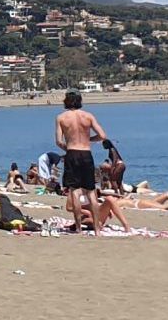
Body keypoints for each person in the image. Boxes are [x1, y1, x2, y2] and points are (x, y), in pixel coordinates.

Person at [55, 90, 108, 231]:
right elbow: (102, 135)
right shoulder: (88, 116)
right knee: (91, 192)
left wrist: (68, 149)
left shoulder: (61, 118)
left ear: (66, 101)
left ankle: (78, 227)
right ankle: (97, 228)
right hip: (86, 153)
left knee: (75, 191)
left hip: (72, 152)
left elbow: (59, 142)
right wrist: (89, 140)